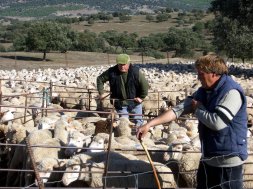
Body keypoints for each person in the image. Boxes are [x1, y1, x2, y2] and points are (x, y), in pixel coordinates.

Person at [137, 54, 248, 189]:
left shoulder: (231, 92)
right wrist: (149, 124)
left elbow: (218, 123)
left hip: (228, 162)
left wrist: (198, 109)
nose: (198, 78)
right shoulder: (204, 91)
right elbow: (178, 110)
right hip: (208, 159)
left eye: (201, 74)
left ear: (213, 73)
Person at [97, 53, 148, 126]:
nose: (122, 66)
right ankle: (125, 136)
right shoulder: (112, 72)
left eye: (124, 64)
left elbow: (145, 85)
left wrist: (141, 97)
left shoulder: (135, 72)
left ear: (128, 63)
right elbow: (100, 79)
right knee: (123, 123)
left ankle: (138, 135)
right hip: (120, 103)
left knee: (138, 122)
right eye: (120, 64)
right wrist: (101, 92)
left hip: (134, 102)